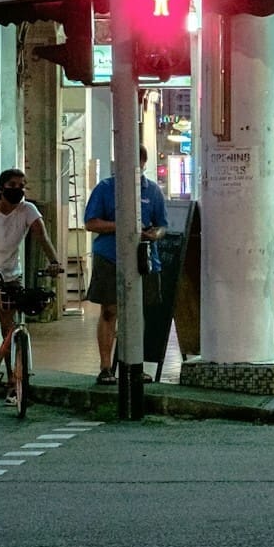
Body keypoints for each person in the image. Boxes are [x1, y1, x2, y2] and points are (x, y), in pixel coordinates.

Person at [0, 169, 62, 396]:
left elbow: (42, 237)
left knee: (9, 328)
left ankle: (12, 381)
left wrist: (54, 261)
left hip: (9, 275)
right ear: (2, 187)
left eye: (22, 185)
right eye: (13, 185)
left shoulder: (28, 210)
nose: (18, 190)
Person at [83, 147, 169, 386]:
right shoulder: (105, 188)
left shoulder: (152, 191)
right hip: (109, 256)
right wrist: (121, 226)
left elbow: (163, 225)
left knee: (138, 312)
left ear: (143, 162)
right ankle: (105, 366)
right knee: (109, 310)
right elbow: (91, 223)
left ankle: (134, 364)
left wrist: (154, 234)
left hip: (143, 256)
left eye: (136, 161)